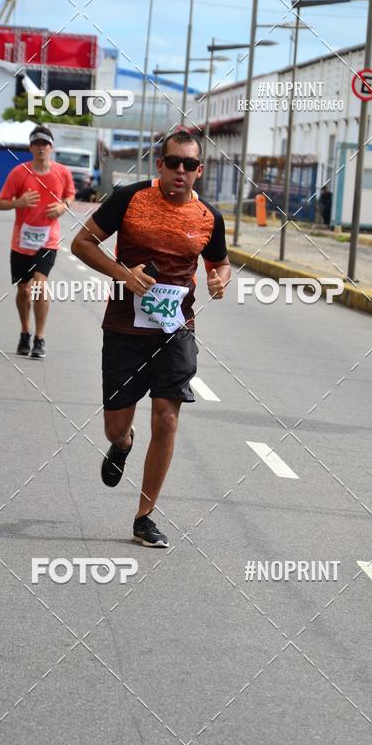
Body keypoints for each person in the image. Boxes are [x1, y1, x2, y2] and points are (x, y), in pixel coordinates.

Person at [71, 129, 230, 547]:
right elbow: (81, 243)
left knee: (166, 418)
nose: (181, 171)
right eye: (173, 162)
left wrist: (219, 279)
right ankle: (122, 445)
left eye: (189, 165)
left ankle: (145, 515)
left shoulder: (210, 217)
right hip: (124, 328)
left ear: (200, 170)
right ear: (159, 164)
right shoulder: (130, 198)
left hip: (175, 330)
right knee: (114, 427)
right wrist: (125, 274)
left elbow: (221, 263)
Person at [0, 124, 75, 359]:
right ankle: (25, 332)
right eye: (37, 143)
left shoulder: (62, 172)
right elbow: (1, 203)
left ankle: (40, 337)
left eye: (45, 143)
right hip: (22, 242)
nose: (41, 148)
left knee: (40, 285)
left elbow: (70, 194)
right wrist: (18, 203)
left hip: (47, 240)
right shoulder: (19, 173)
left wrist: (64, 206)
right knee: (23, 290)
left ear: (51, 147)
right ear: (31, 147)